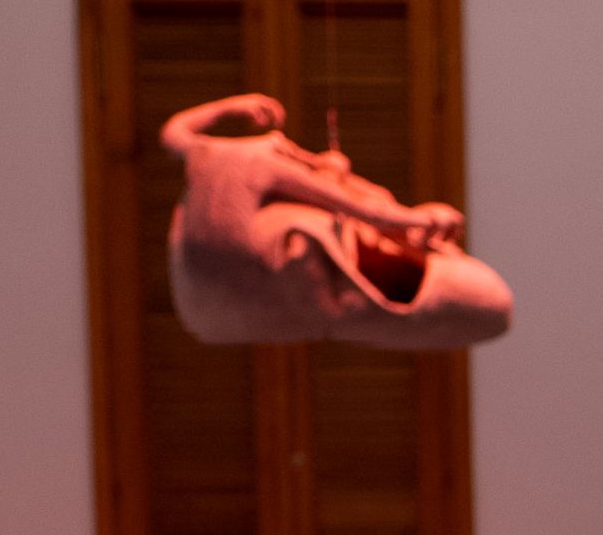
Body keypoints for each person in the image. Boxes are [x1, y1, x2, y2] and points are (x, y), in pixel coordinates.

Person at [160, 91, 513, 347]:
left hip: (212, 278)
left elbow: (174, 135)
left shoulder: (230, 160)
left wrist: (413, 219)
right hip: (216, 288)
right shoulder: (264, 169)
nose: (280, 140)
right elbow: (356, 206)